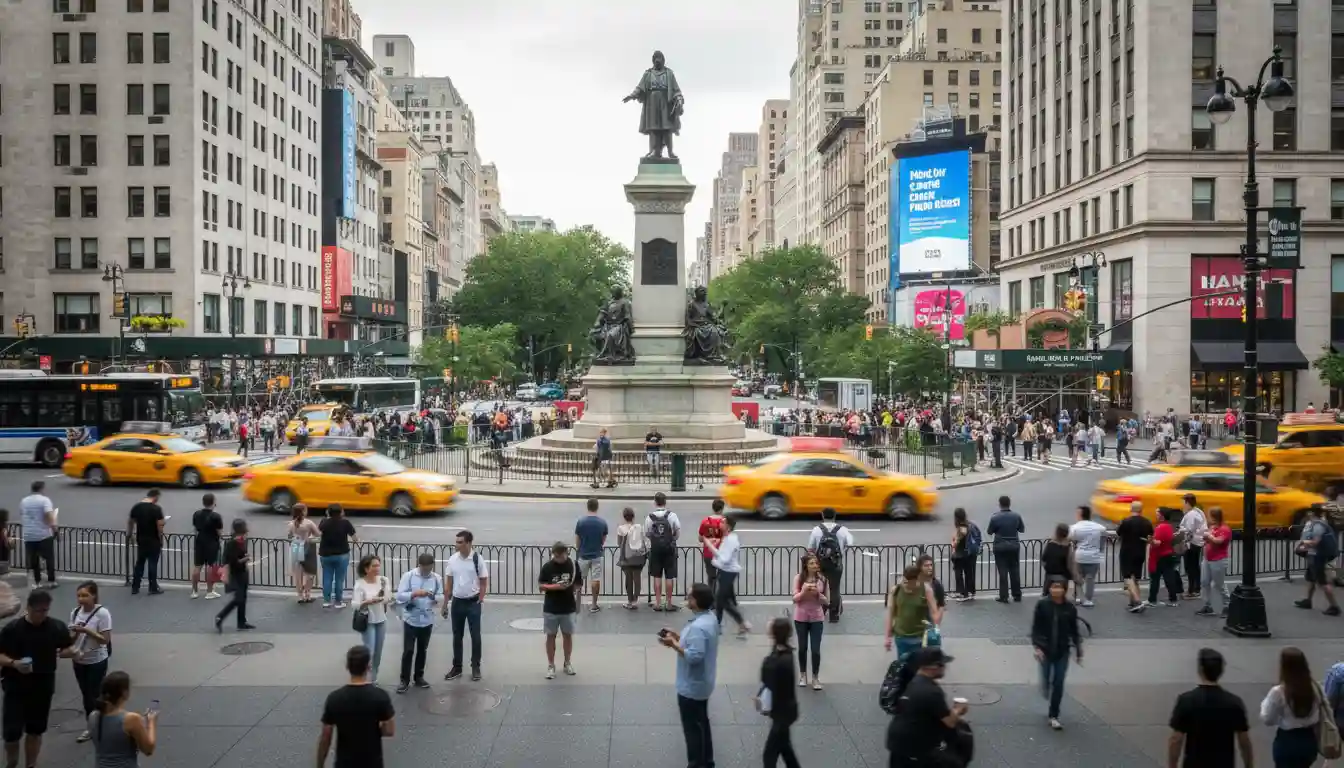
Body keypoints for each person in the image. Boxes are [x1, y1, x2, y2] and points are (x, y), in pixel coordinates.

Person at [0, 590, 77, 768]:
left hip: (43, 685)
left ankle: (30, 765)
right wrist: (14, 663)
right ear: (28, 608)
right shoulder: (13, 629)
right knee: (12, 733)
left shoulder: (56, 627)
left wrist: (72, 653)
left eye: (45, 610)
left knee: (35, 730)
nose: (42, 615)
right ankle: (11, 763)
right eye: (38, 610)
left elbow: (65, 648)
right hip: (15, 686)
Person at [659, 582, 719, 768]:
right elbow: (696, 645)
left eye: (690, 596)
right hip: (704, 683)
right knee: (702, 724)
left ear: (697, 601)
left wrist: (674, 645)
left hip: (691, 687)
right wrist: (678, 636)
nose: (687, 599)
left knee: (692, 730)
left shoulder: (697, 627)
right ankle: (707, 762)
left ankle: (696, 764)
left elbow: (693, 656)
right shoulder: (710, 619)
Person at [1168, 648, 1253, 768]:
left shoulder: (1186, 700)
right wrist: (1249, 765)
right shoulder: (1234, 702)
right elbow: (1244, 741)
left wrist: (1172, 765)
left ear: (1200, 670)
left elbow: (1176, 739)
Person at [886, 647, 969, 767]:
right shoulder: (931, 691)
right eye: (943, 665)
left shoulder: (912, 681)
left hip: (897, 741)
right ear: (934, 667)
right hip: (914, 747)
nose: (945, 668)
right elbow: (950, 721)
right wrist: (959, 710)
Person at [317, 645, 395, 768]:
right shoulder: (381, 696)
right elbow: (389, 730)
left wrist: (319, 764)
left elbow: (326, 736)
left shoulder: (334, 698)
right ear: (368, 667)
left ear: (347, 666)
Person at [1031, 576, 1083, 730]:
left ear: (1065, 589)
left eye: (1060, 587)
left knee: (1059, 682)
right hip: (1045, 649)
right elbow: (1036, 628)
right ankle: (1045, 686)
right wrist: (1038, 647)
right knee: (1047, 677)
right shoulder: (1042, 605)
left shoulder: (1069, 608)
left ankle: (1054, 714)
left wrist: (1078, 650)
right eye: (1054, 587)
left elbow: (1074, 630)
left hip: (1062, 650)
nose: (1056, 590)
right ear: (1049, 588)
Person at [1259, 647, 1323, 768]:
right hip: (1308, 739)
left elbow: (1267, 719)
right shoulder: (1315, 687)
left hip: (1287, 741)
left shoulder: (1279, 692)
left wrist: (1264, 704)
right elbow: (1318, 714)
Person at [69, 581, 113, 745]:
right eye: (79, 596)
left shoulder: (102, 614)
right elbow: (71, 638)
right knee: (86, 694)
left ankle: (95, 726)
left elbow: (105, 640)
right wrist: (74, 634)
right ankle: (96, 723)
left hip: (96, 660)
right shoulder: (75, 613)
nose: (81, 599)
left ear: (94, 595)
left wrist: (86, 630)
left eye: (85, 595)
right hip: (79, 659)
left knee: (92, 695)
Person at [441, 530, 488, 682]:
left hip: (473, 602)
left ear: (468, 543)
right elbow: (448, 582)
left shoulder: (476, 559)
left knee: (475, 635)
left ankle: (476, 666)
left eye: (460, 542)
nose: (457, 544)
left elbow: (483, 579)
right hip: (457, 602)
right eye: (457, 542)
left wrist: (481, 598)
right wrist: (445, 604)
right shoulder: (453, 559)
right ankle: (457, 667)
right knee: (457, 636)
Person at [394, 552, 441, 693]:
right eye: (424, 568)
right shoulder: (409, 576)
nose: (426, 571)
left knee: (422, 649)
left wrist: (434, 597)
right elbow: (399, 595)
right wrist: (414, 594)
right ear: (419, 565)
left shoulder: (436, 578)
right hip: (411, 618)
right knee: (408, 650)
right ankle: (404, 680)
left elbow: (442, 595)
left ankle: (419, 677)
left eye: (429, 568)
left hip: (427, 619)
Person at [758, 616, 801, 768]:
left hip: (782, 714)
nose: (769, 623)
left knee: (769, 755)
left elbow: (767, 679)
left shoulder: (777, 661)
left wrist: (762, 702)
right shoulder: (785, 653)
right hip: (786, 711)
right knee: (785, 749)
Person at [538, 541, 580, 679]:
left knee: (568, 635)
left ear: (566, 553)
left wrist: (571, 589)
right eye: (556, 556)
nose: (559, 558)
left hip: (568, 607)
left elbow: (578, 584)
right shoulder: (548, 567)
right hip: (551, 607)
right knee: (551, 636)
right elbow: (541, 586)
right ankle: (551, 665)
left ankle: (567, 662)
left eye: (561, 555)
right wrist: (556, 587)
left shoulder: (573, 565)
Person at [884, 563, 942, 660]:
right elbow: (890, 614)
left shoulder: (926, 590)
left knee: (919, 667)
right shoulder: (896, 590)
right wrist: (887, 637)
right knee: (904, 667)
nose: (907, 586)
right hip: (901, 636)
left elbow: (935, 612)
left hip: (920, 637)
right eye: (905, 582)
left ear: (918, 579)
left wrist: (935, 631)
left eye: (910, 583)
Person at [703, 516, 750, 637]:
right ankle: (737, 624)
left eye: (723, 522)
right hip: (724, 572)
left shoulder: (731, 540)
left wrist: (709, 545)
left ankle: (738, 623)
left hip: (728, 573)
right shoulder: (727, 538)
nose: (720, 524)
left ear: (728, 526)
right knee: (723, 601)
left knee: (721, 600)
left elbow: (724, 558)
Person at [807, 507, 853, 622]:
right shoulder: (842, 530)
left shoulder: (817, 530)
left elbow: (811, 548)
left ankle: (821, 611)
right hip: (836, 564)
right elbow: (850, 543)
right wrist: (842, 551)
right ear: (835, 516)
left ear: (822, 515)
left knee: (820, 588)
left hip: (820, 564)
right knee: (834, 588)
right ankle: (834, 615)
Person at [1295, 504, 1341, 616]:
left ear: (1312, 513)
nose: (1307, 514)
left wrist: (1302, 543)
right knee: (1311, 578)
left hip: (1318, 556)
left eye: (1309, 512)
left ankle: (1334, 606)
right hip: (1313, 555)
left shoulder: (1318, 525)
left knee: (1323, 582)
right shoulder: (1315, 523)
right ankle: (1308, 600)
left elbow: (1315, 542)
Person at [351, 555, 390, 685]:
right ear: (366, 568)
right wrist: (367, 602)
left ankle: (374, 676)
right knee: (369, 650)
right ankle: (365, 677)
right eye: (374, 566)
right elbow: (355, 605)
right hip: (367, 620)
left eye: (378, 565)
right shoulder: (360, 584)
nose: (377, 568)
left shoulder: (384, 580)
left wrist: (381, 599)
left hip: (381, 619)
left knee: (378, 651)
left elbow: (387, 598)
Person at [792, 554, 829, 690]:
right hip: (801, 617)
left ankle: (815, 677)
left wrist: (818, 595)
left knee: (815, 650)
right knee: (802, 648)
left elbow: (827, 601)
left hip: (816, 618)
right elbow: (795, 598)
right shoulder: (799, 578)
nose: (815, 566)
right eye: (812, 563)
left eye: (816, 563)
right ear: (806, 566)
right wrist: (803, 592)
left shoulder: (823, 580)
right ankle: (803, 675)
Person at [214, 518, 255, 632]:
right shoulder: (232, 543)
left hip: (243, 572)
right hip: (234, 574)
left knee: (243, 598)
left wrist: (245, 557)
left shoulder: (242, 540)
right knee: (238, 598)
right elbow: (233, 562)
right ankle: (220, 616)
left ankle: (241, 622)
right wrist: (245, 558)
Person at [1114, 500, 1154, 612]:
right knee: (1135, 578)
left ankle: (1137, 601)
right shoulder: (1147, 522)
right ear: (1141, 510)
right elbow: (1150, 536)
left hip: (1127, 551)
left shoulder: (1126, 521)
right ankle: (1133, 603)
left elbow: (1118, 533)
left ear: (1131, 509)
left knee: (1128, 577)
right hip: (1140, 551)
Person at [645, 493, 682, 612]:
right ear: (665, 502)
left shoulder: (650, 517)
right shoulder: (672, 516)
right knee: (669, 576)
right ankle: (669, 603)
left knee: (657, 575)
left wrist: (656, 541)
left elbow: (647, 533)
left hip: (655, 550)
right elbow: (677, 532)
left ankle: (658, 603)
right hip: (669, 549)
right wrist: (671, 540)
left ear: (655, 502)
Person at [318, 505, 359, 609]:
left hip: (325, 554)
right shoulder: (345, 523)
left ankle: (326, 601)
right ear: (341, 512)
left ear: (328, 512)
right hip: (342, 554)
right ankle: (338, 602)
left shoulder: (324, 522)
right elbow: (354, 538)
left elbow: (318, 534)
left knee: (327, 578)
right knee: (339, 579)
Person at [126, 490, 165, 596]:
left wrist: (130, 534)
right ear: (155, 496)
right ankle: (153, 587)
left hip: (141, 539)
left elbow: (130, 522)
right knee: (152, 563)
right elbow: (160, 526)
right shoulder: (156, 509)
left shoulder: (136, 507)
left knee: (140, 563)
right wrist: (161, 539)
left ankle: (135, 587)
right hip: (153, 539)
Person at [20, 482, 58, 590]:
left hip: (28, 534)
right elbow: (49, 515)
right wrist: (55, 529)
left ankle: (37, 581)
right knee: (49, 558)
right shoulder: (44, 500)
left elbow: (23, 515)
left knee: (34, 559)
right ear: (41, 489)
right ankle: (51, 581)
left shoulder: (24, 501)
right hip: (43, 534)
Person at [987, 495, 1025, 602]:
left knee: (1002, 572)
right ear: (1009, 504)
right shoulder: (1016, 516)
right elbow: (1021, 529)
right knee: (1014, 570)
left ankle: (1004, 596)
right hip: (1014, 545)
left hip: (1000, 546)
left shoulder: (995, 517)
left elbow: (989, 531)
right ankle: (1017, 594)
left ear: (1000, 504)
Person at [574, 498, 608, 613]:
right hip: (597, 554)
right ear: (597, 507)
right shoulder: (602, 522)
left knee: (579, 580)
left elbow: (577, 539)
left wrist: (578, 549)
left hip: (583, 554)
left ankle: (577, 604)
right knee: (595, 579)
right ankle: (594, 604)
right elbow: (603, 540)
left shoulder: (581, 522)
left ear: (587, 506)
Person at [1198, 507, 1233, 618]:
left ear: (1215, 517)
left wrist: (1210, 536)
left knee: (1219, 584)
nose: (1208, 518)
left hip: (1219, 560)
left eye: (1210, 516)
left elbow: (1219, 541)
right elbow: (1208, 540)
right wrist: (1206, 537)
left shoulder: (1225, 529)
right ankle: (1207, 606)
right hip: (1208, 559)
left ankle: (1227, 606)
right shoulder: (1212, 527)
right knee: (1204, 582)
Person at [1069, 506, 1106, 607]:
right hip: (1094, 556)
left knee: (1078, 578)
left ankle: (1079, 598)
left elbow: (1070, 538)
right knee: (1090, 578)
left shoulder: (1075, 527)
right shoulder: (1099, 527)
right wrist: (1100, 550)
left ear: (1079, 515)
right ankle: (1088, 599)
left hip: (1079, 555)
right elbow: (1103, 538)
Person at [1147, 508, 1185, 607]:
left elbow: (1157, 543)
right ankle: (1173, 600)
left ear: (1162, 515)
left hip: (1159, 556)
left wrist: (1150, 540)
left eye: (1157, 513)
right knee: (1169, 578)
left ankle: (1152, 600)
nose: (1156, 515)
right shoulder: (1169, 526)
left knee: (1155, 579)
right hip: (1168, 554)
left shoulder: (1160, 527)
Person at [190, 493, 224, 599]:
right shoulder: (216, 516)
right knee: (211, 567)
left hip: (200, 541)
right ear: (213, 502)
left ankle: (194, 591)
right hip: (212, 542)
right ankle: (209, 591)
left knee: (197, 566)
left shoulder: (196, 514)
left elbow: (195, 528)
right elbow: (219, 532)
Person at [287, 503, 320, 604]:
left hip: (295, 548)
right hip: (308, 548)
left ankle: (300, 596)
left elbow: (289, 536)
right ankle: (307, 593)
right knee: (310, 572)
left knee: (298, 573)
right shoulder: (309, 523)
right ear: (303, 511)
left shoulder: (291, 524)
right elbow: (318, 534)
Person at [615, 507, 647, 610]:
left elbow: (619, 543)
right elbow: (644, 541)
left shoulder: (621, 528)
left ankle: (629, 601)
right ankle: (635, 601)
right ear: (633, 516)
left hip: (627, 557)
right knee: (637, 579)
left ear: (624, 517)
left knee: (628, 580)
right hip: (638, 556)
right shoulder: (639, 527)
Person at [1179, 494, 1208, 601]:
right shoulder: (1198, 512)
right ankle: (1196, 589)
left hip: (1192, 543)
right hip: (1197, 543)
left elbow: (1189, 530)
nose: (1182, 505)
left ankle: (1192, 590)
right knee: (1194, 566)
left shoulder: (1191, 514)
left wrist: (1183, 541)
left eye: (1183, 502)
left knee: (1190, 567)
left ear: (1187, 502)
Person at [949, 507, 981, 601]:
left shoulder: (962, 528)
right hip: (970, 553)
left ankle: (962, 593)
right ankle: (970, 591)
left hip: (961, 553)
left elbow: (955, 543)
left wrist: (953, 541)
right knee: (969, 572)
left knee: (958, 573)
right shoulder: (970, 525)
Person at [698, 500, 728, 594]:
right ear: (722, 509)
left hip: (708, 553)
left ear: (713, 508)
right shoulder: (725, 522)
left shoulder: (705, 521)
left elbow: (700, 538)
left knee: (711, 577)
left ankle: (711, 598)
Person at [1040, 524, 1076, 597]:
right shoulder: (1068, 547)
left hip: (1049, 576)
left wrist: (1047, 569)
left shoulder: (1050, 544)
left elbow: (1043, 560)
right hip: (1063, 577)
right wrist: (1073, 576)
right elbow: (1069, 564)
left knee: (1047, 597)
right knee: (1060, 598)